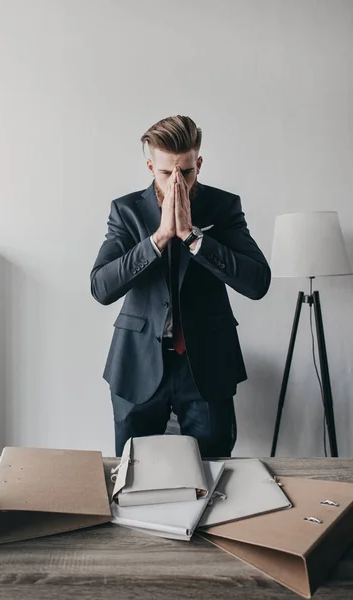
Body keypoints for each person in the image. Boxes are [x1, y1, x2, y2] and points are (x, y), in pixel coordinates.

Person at [90, 115, 271, 458]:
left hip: (206, 365)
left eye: (186, 171)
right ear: (149, 166)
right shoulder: (126, 211)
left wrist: (193, 237)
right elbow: (101, 286)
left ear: (198, 164)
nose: (177, 181)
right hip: (137, 363)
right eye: (166, 172)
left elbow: (257, 281)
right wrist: (158, 239)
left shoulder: (224, 206)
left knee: (214, 474)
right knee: (132, 474)